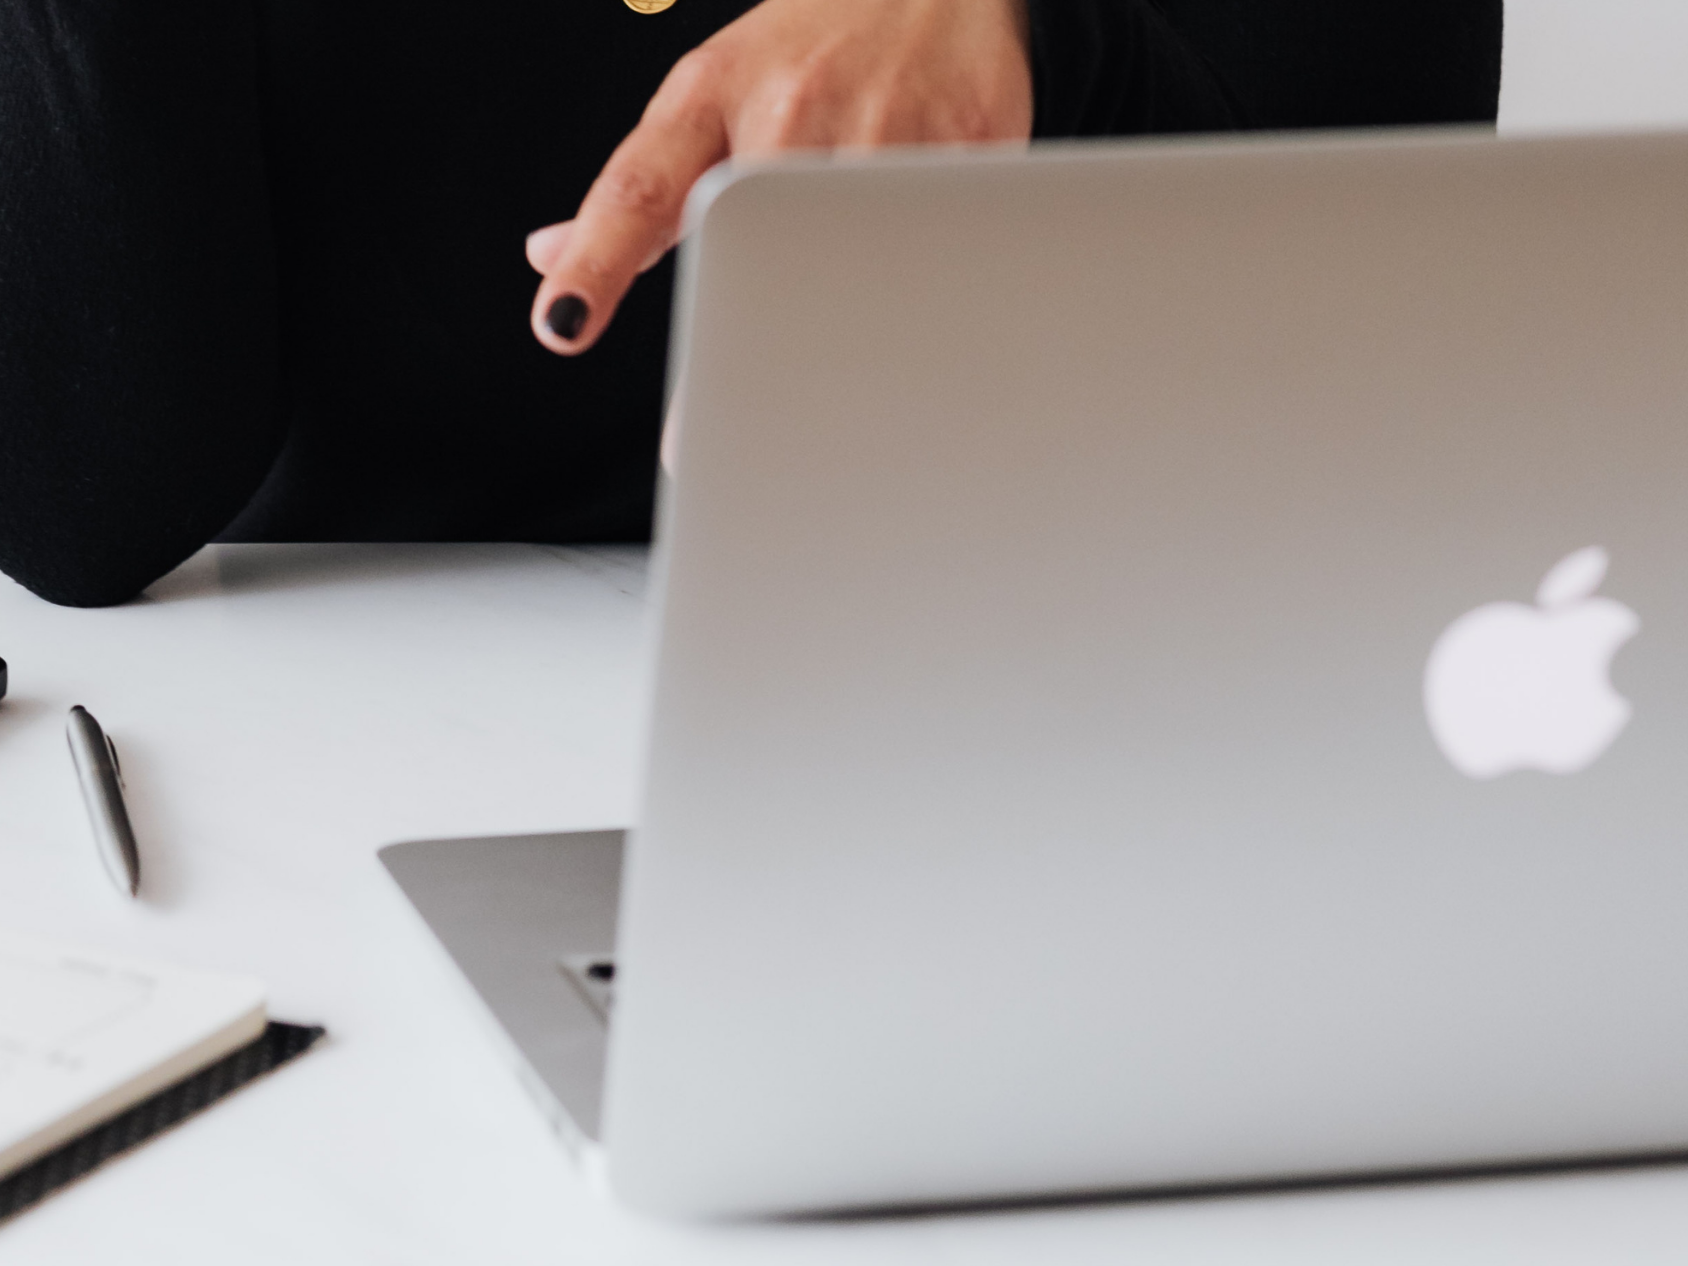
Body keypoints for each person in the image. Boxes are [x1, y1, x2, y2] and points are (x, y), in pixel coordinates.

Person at [0, 0, 1503, 609]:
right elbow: (90, 488)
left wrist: (1029, 36)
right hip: (316, 761)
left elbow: (1399, 316)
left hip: (1093, 676)